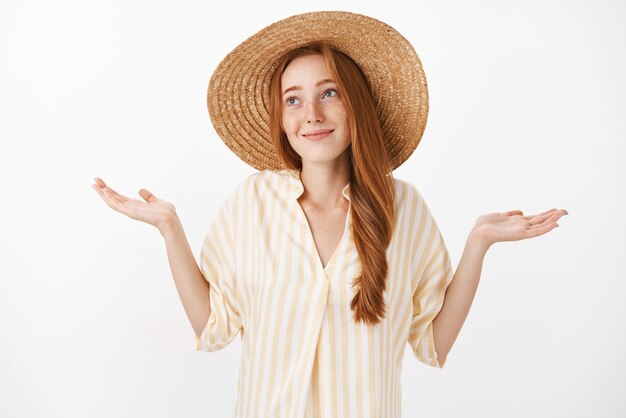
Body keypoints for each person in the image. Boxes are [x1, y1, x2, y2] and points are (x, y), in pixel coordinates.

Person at [92, 11, 568, 418]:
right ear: (281, 117)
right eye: (293, 99)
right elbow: (213, 328)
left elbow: (433, 344)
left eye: (330, 93)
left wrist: (479, 242)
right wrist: (170, 229)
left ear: (355, 104)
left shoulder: (403, 208)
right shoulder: (251, 203)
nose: (311, 114)